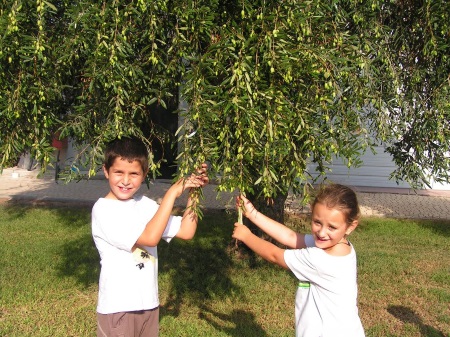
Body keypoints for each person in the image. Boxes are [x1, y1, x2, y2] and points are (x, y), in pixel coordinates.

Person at [92, 136, 209, 337]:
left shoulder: (146, 205)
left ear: (144, 173)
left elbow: (186, 231)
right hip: (118, 308)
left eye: (134, 173)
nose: (126, 181)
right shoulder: (104, 210)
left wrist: (194, 192)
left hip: (149, 305)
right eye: (118, 172)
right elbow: (150, 239)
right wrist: (172, 193)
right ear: (106, 171)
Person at [232, 184, 365, 337]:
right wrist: (252, 213)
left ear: (350, 226)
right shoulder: (343, 247)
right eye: (317, 222)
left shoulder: (320, 259)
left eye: (332, 227)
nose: (322, 232)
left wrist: (246, 236)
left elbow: (274, 255)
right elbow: (290, 237)